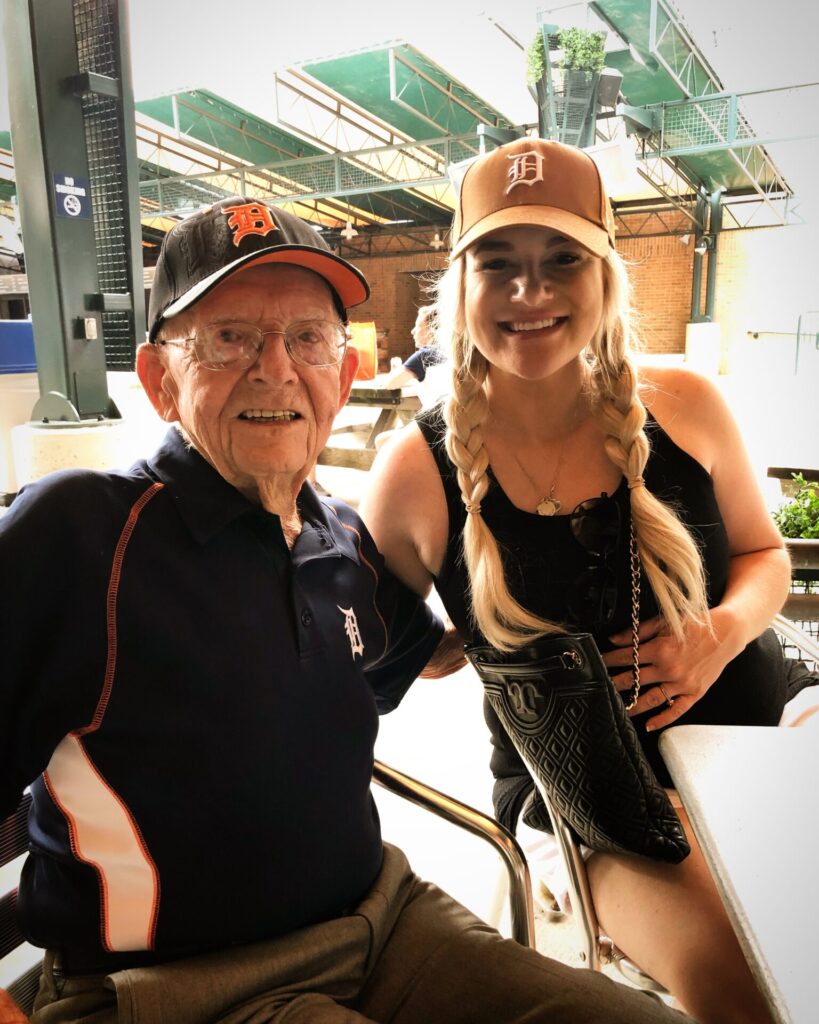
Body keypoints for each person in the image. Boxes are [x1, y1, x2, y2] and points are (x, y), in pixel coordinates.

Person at [0, 197, 692, 1024]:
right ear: (160, 382)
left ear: (345, 374)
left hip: (387, 924)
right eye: (230, 339)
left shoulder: (342, 541)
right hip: (181, 988)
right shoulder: (81, 537)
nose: (275, 369)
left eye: (307, 339)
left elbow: (428, 651)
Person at [360, 137, 798, 1024]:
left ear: (606, 276)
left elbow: (765, 558)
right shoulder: (414, 474)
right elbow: (358, 644)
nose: (531, 293)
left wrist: (716, 634)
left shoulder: (685, 405)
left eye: (563, 259)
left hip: (759, 729)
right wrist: (447, 646)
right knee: (756, 983)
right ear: (460, 284)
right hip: (589, 800)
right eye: (500, 263)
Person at [383, 305, 447, 392]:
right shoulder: (448, 353)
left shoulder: (424, 355)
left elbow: (390, 384)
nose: (412, 331)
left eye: (418, 326)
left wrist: (396, 369)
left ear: (431, 330)